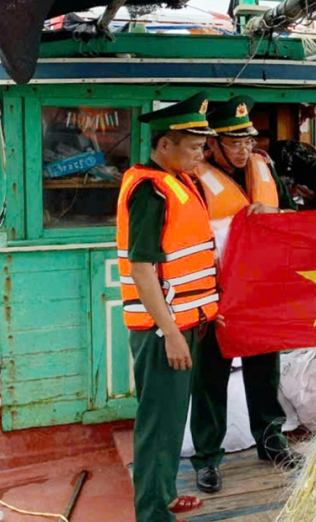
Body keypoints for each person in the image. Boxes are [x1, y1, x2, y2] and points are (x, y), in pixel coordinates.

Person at [188, 96, 301, 497]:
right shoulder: (193, 181)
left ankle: (271, 441)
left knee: (263, 372)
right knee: (210, 379)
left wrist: (274, 216)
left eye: (247, 141)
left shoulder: (264, 169)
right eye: (233, 142)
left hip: (261, 294)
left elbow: (295, 224)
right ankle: (207, 458)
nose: (243, 150)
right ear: (211, 143)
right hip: (216, 298)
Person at [115, 92, 218, 522]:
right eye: (192, 146)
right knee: (158, 425)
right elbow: (142, 270)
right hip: (163, 331)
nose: (200, 153)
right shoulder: (149, 191)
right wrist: (172, 333)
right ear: (163, 146)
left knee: (173, 420)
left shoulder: (180, 181)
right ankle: (153, 513)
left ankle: (164, 494)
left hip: (186, 322)